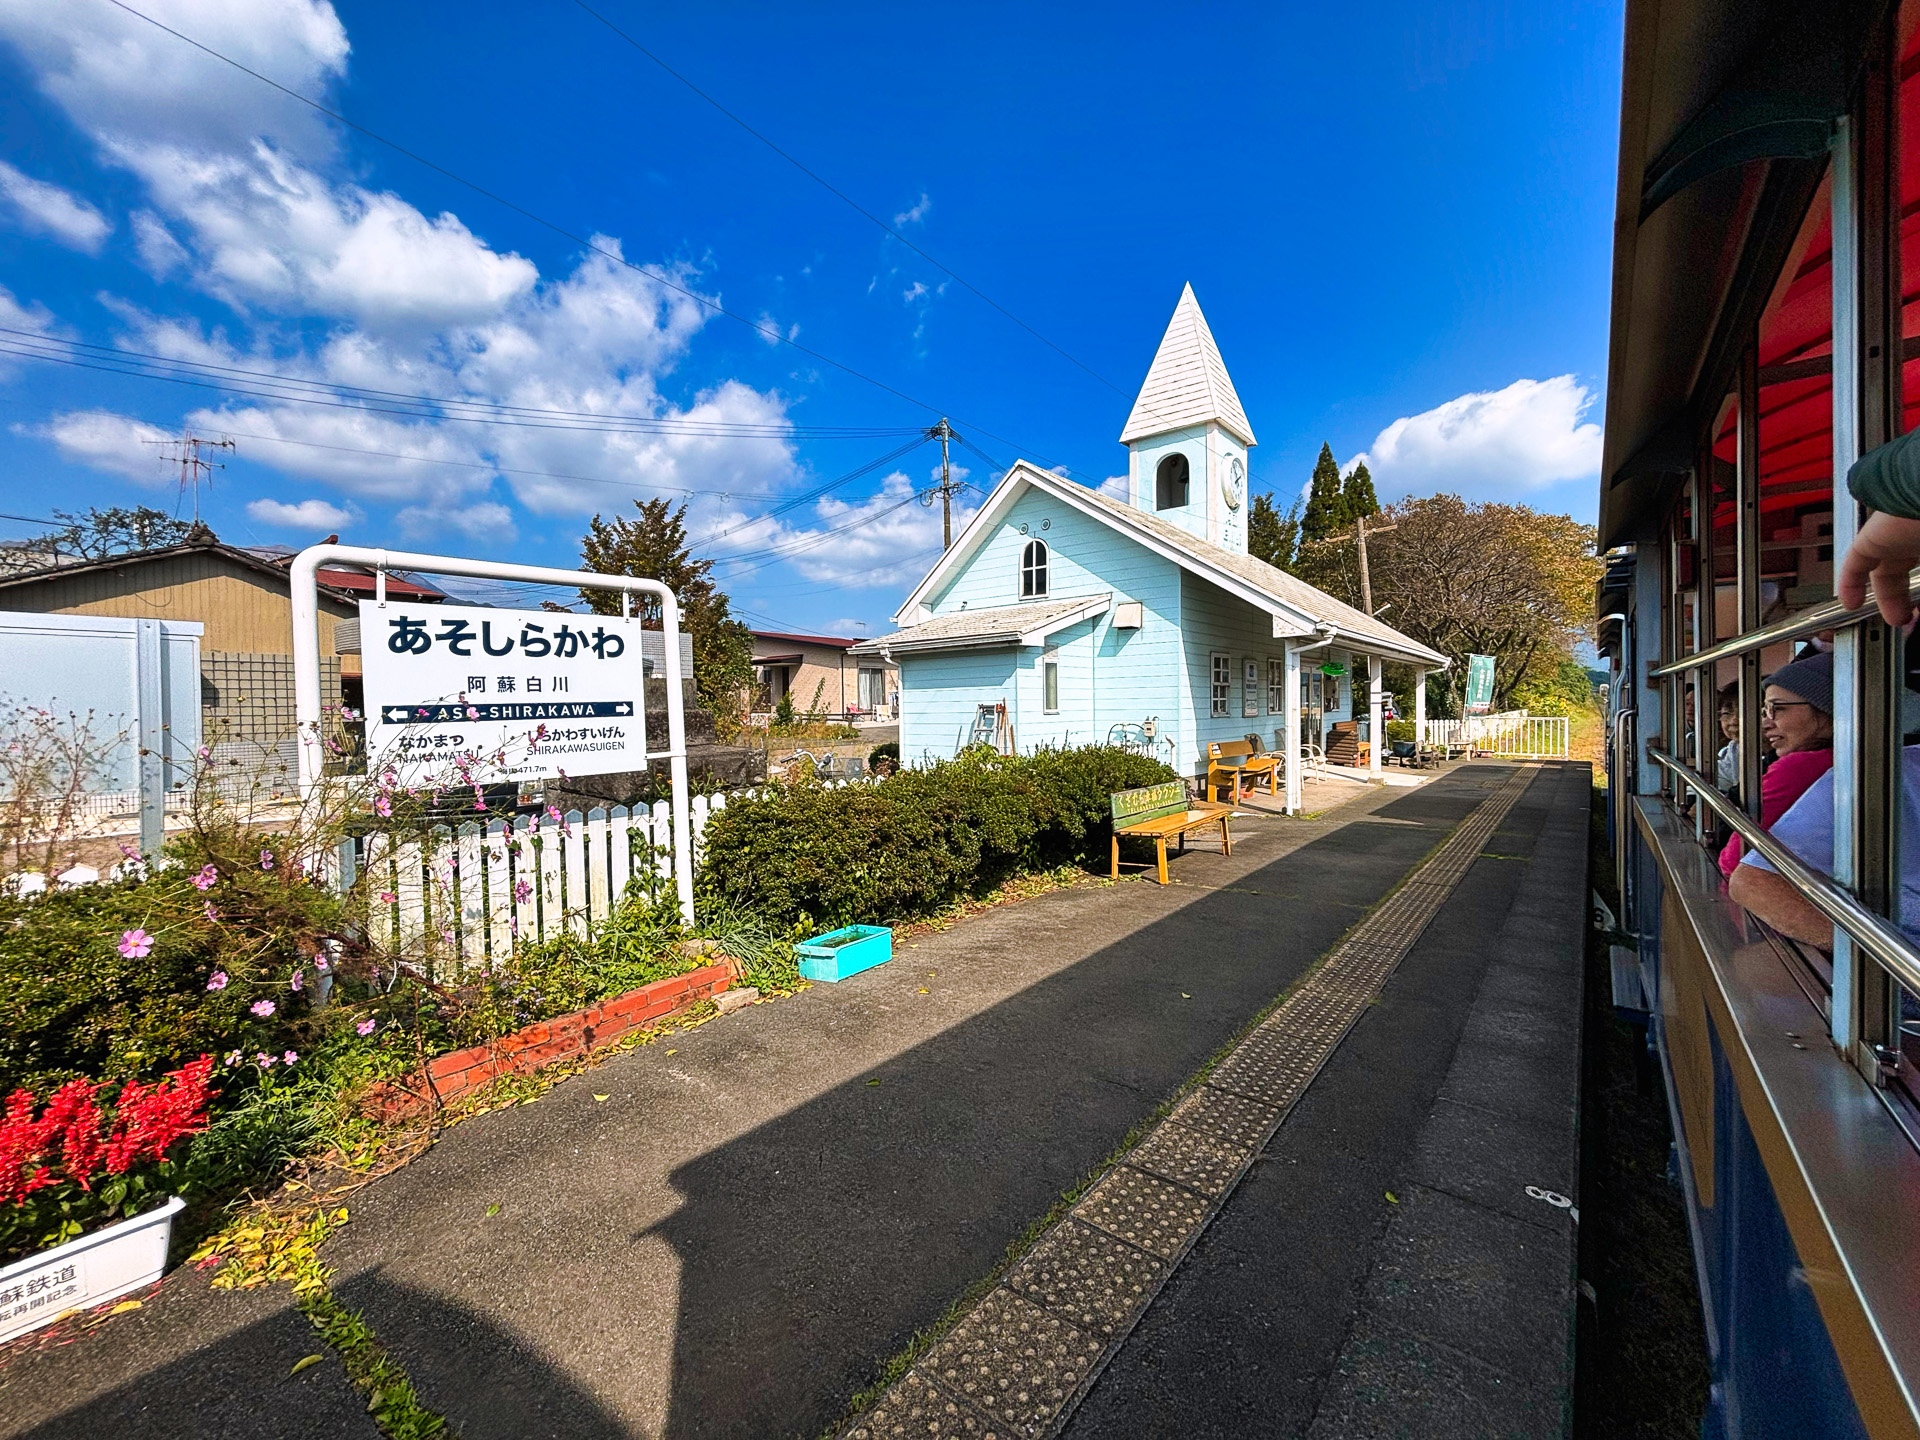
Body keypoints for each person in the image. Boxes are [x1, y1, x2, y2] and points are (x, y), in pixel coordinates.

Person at [1729, 745, 1920, 947]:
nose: (1768, 727)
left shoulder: (1875, 771)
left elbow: (1739, 866)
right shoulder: (1877, 774)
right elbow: (1753, 880)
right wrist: (1873, 955)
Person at [1718, 654, 1833, 877]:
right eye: (1765, 711)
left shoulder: (1798, 768)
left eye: (1777, 709)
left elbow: (1733, 860)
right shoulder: (1868, 760)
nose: (1765, 723)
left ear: (1824, 708)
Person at [1715, 684, 1740, 790]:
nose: (1734, 721)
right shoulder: (1735, 748)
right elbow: (1719, 779)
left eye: (1744, 712)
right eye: (1727, 713)